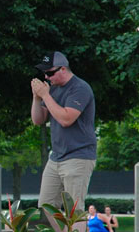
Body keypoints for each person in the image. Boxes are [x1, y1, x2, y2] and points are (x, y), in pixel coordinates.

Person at [31, 51, 96, 216]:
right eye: (44, 73)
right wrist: (37, 98)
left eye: (50, 73)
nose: (46, 77)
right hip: (56, 157)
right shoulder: (53, 90)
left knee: (74, 211)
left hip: (78, 156)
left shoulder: (80, 88)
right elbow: (38, 120)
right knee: (45, 208)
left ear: (63, 69)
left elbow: (67, 119)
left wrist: (45, 94)